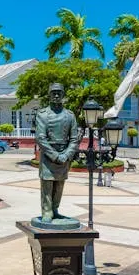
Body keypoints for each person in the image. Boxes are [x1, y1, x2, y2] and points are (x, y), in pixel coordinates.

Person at [35, 82, 80, 223]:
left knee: (59, 185)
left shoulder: (70, 115)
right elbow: (40, 138)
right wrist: (54, 155)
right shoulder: (42, 114)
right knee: (47, 185)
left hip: (64, 154)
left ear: (63, 95)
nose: (56, 95)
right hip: (49, 156)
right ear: (49, 95)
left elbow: (74, 138)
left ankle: (55, 209)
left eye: (59, 93)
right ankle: (47, 211)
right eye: (53, 93)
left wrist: (66, 155)